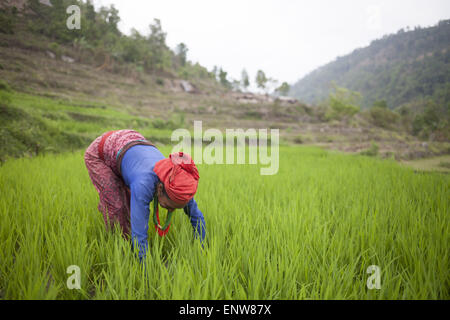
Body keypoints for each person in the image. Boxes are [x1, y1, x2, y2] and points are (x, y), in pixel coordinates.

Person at [84, 129, 206, 260]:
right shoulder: (144, 183)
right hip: (101, 153)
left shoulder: (179, 184)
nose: (171, 210)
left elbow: (197, 216)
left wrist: (202, 249)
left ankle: (128, 250)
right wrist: (146, 274)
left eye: (177, 207)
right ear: (159, 189)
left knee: (131, 204)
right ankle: (120, 251)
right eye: (171, 205)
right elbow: (140, 234)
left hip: (130, 146)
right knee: (117, 207)